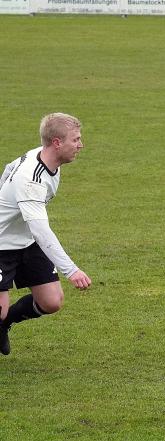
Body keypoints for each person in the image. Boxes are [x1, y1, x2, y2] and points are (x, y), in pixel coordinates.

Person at [0, 113, 92, 356]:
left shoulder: (42, 156)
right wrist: (71, 270)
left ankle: (4, 324)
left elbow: (9, 167)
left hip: (26, 241)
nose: (81, 145)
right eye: (76, 139)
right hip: (2, 245)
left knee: (51, 302)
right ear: (57, 143)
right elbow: (41, 231)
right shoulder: (31, 181)